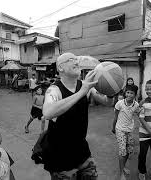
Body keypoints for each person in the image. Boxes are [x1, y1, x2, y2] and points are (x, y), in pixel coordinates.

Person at [42, 52, 114, 180]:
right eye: (70, 60)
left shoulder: (85, 86)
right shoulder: (54, 89)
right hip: (60, 155)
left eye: (76, 60)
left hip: (82, 150)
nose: (76, 62)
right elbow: (48, 112)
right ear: (60, 68)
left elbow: (107, 103)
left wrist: (111, 91)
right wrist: (82, 92)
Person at [112, 85, 140, 180]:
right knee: (122, 152)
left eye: (131, 93)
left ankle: (123, 167)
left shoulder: (136, 105)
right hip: (120, 130)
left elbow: (140, 114)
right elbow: (115, 117)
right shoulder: (119, 103)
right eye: (127, 92)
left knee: (128, 151)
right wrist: (113, 127)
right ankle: (121, 173)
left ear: (135, 95)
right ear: (125, 93)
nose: (129, 94)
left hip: (130, 130)